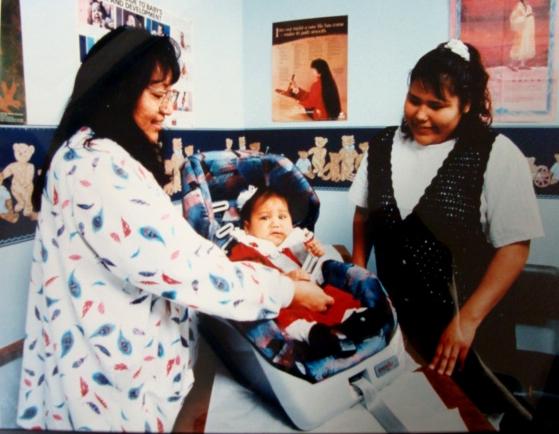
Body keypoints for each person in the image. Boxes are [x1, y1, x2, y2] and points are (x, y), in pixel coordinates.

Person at [16, 26, 330, 432]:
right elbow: (183, 267)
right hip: (109, 392)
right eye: (158, 95)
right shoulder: (97, 168)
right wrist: (285, 290)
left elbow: (177, 246)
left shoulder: (90, 154)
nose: (167, 110)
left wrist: (277, 273)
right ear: (118, 91)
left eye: (169, 96)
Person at [349, 39, 543, 425]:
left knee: (472, 418)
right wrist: (359, 275)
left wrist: (467, 321)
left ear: (466, 105)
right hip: (399, 333)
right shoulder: (384, 145)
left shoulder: (495, 154)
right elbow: (363, 214)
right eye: (414, 99)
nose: (420, 115)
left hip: (470, 333)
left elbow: (515, 247)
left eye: (436, 106)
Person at [229, 186, 392, 359]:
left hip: (311, 297)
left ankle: (353, 321)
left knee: (331, 296)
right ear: (247, 227)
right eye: (264, 217)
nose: (276, 223)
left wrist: (315, 254)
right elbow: (248, 282)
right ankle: (312, 334)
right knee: (280, 316)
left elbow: (316, 270)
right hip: (280, 304)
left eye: (282, 217)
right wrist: (285, 279)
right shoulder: (244, 250)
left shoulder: (291, 245)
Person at [509, 0, 536, 70]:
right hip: (521, 29)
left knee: (526, 45)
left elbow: (530, 16)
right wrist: (525, 17)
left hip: (528, 28)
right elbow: (514, 18)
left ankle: (522, 64)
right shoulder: (518, 7)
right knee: (518, 46)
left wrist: (529, 17)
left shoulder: (529, 6)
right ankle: (512, 64)